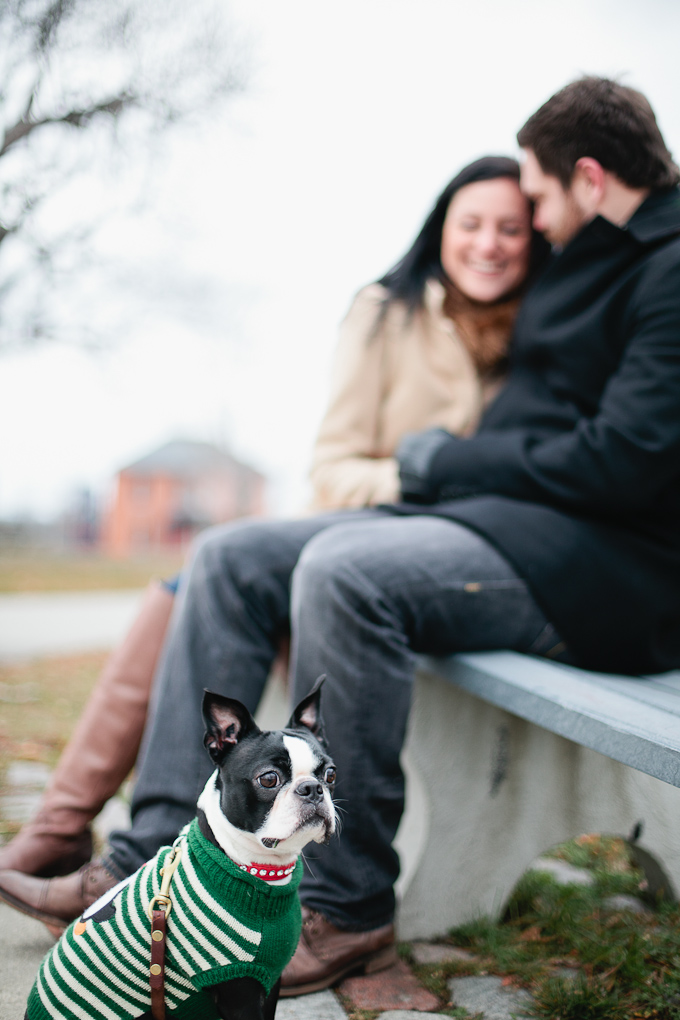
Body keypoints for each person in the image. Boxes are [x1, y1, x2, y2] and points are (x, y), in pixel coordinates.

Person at [7, 72, 680, 999]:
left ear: (591, 179)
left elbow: (624, 460)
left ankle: (351, 903)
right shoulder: (595, 255)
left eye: (536, 194)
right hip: (514, 526)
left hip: (600, 572)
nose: (529, 216)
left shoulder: (665, 265)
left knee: (345, 569)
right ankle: (150, 863)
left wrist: (444, 461)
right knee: (230, 554)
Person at [0, 156, 542, 881]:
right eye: (470, 223)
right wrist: (429, 482)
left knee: (191, 582)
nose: (489, 243)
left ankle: (77, 831)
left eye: (511, 227)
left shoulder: (541, 332)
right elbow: (333, 467)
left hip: (457, 555)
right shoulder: (387, 311)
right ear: (440, 229)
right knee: (211, 565)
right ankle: (126, 842)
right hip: (369, 518)